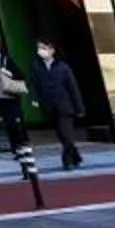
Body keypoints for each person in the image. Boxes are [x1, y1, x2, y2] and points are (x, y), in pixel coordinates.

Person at [33, 40, 87, 168]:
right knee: (62, 136)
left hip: (65, 107)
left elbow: (73, 88)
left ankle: (67, 161)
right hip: (50, 107)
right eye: (39, 48)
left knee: (67, 134)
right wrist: (36, 99)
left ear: (52, 50)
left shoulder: (62, 67)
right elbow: (35, 86)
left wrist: (79, 107)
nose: (41, 51)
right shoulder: (36, 67)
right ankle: (76, 157)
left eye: (44, 48)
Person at [0, 39, 30, 155]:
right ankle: (15, 149)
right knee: (8, 124)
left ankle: (24, 145)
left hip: (11, 96)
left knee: (16, 122)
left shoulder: (6, 60)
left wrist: (9, 73)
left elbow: (20, 75)